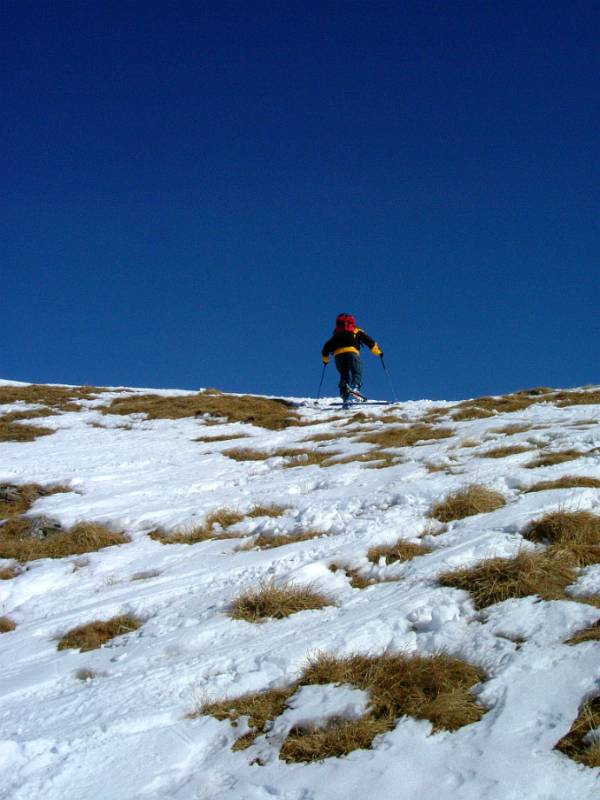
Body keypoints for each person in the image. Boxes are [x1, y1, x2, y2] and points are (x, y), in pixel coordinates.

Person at [321, 313, 383, 406]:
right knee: (357, 371)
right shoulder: (356, 330)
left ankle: (344, 394)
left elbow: (326, 347)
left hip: (338, 356)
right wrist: (378, 352)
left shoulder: (336, 333)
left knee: (344, 374)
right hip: (352, 353)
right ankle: (355, 388)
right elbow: (369, 341)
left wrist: (325, 360)